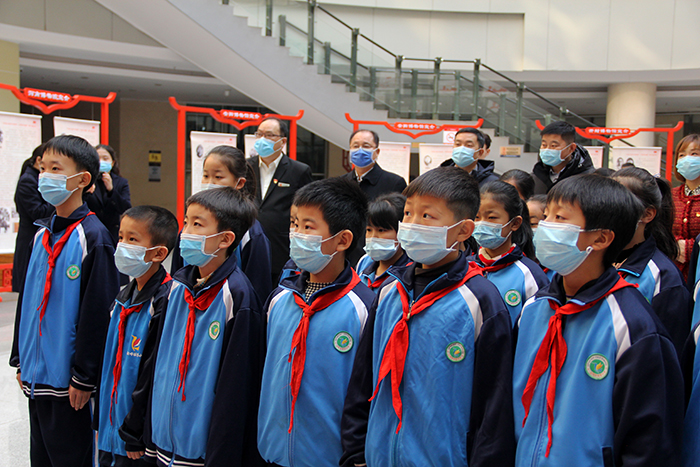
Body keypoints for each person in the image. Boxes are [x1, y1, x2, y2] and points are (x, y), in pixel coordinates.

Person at [340, 166, 515, 467]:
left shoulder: (481, 302)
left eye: (427, 216)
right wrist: (356, 450)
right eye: (408, 213)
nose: (411, 224)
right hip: (379, 456)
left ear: (463, 230)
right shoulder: (389, 292)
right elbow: (363, 378)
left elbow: (494, 406)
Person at [513, 174, 683, 466]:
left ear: (601, 238)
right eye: (547, 216)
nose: (545, 227)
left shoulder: (632, 325)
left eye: (560, 218)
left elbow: (648, 440)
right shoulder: (534, 309)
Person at [10, 135, 120, 467]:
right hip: (36, 376)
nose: (45, 176)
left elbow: (97, 312)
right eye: (43, 168)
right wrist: (20, 357)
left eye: (55, 169)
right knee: (41, 457)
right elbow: (28, 301)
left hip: (69, 384)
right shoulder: (41, 234)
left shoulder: (93, 237)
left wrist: (84, 375)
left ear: (83, 179)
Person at [257, 177, 375, 467]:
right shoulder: (279, 299)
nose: (296, 235)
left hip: (331, 457)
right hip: (272, 451)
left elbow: (366, 393)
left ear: (342, 240)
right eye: (294, 224)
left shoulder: (364, 308)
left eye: (308, 227)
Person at [144, 187, 265, 467]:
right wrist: (150, 435)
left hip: (202, 450)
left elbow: (236, 389)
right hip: (164, 441)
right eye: (186, 222)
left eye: (197, 225)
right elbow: (157, 363)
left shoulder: (237, 297)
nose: (185, 232)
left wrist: (220, 454)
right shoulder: (175, 287)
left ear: (225, 239)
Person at [94, 206, 178, 467]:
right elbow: (108, 366)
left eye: (132, 239)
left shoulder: (165, 300)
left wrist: (135, 431)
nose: (122, 245)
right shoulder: (122, 298)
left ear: (159, 253)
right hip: (109, 427)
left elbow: (152, 375)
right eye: (121, 237)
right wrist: (100, 419)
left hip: (135, 436)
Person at [171, 145, 273, 299]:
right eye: (206, 175)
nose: (209, 183)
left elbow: (258, 290)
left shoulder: (251, 233)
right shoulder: (189, 226)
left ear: (239, 183)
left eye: (218, 177)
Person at [611, 167, 690, 358]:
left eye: (619, 201)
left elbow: (668, 355)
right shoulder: (592, 260)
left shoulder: (664, 278)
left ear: (647, 214)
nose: (607, 207)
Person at [470, 181, 548, 325]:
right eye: (477, 217)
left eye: (491, 217)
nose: (482, 223)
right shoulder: (465, 267)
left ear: (515, 223)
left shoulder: (530, 275)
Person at [248, 117, 313, 282]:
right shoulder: (245, 167)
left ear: (283, 141)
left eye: (269, 135)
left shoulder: (299, 170)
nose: (263, 139)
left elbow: (306, 210)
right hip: (250, 247)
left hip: (281, 249)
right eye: (259, 134)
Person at [341, 129, 407, 265]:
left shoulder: (394, 182)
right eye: (355, 146)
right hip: (347, 256)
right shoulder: (341, 184)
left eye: (366, 146)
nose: (360, 150)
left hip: (381, 257)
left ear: (377, 151)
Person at [12, 143, 54, 293]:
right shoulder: (28, 180)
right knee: (29, 289)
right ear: (39, 161)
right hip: (31, 239)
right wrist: (55, 198)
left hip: (41, 239)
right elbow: (37, 213)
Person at [355, 193, 411, 292]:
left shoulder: (409, 273)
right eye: (369, 230)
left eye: (381, 230)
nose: (373, 237)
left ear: (402, 231)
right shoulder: (364, 262)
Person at [531, 120, 594, 194]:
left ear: (571, 148)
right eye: (544, 145)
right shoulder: (536, 176)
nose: (547, 149)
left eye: (553, 146)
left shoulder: (589, 179)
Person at [86, 144, 132, 245]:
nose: (101, 161)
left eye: (105, 158)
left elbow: (125, 208)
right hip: (91, 230)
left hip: (112, 232)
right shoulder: (87, 181)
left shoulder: (121, 182)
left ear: (112, 162)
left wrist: (111, 190)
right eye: (98, 158)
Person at [672, 134, 700, 280]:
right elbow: (660, 230)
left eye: (694, 154)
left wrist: (690, 249)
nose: (687, 159)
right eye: (682, 155)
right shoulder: (671, 195)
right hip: (674, 274)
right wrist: (673, 245)